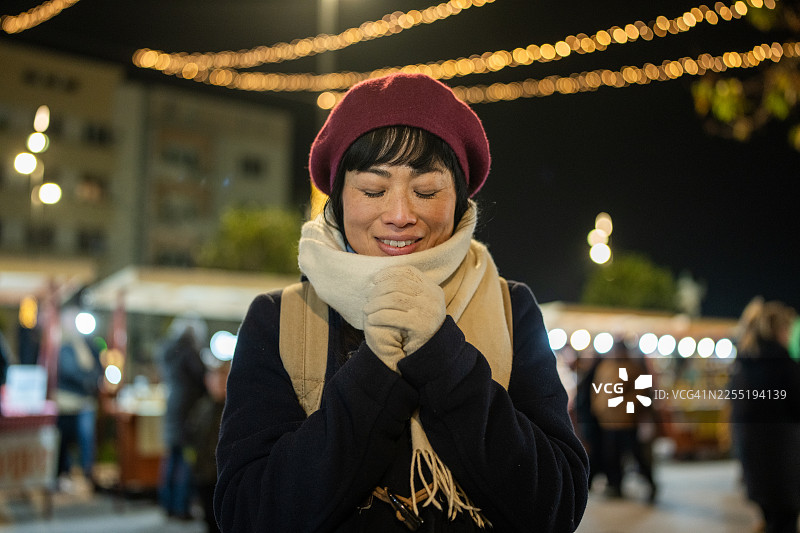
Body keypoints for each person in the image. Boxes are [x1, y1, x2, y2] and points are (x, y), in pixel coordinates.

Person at [214, 72, 589, 532]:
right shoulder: (278, 319)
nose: (399, 215)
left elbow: (557, 505)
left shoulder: (513, 309)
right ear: (337, 201)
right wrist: (377, 367)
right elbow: (248, 514)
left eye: (426, 191)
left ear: (459, 201)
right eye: (373, 190)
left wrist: (442, 355)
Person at [729, 298, 800, 533]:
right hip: (783, 464)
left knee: (771, 518)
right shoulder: (784, 366)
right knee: (784, 520)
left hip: (754, 462)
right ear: (780, 330)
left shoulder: (744, 365)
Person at [590, 339, 657, 502]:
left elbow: (641, 393)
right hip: (608, 421)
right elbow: (597, 389)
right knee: (611, 456)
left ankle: (650, 484)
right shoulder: (605, 367)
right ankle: (616, 486)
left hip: (627, 421)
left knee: (636, 455)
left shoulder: (634, 368)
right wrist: (599, 408)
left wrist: (627, 408)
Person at [157, 314, 208, 520]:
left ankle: (168, 504)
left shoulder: (168, 350)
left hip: (173, 406)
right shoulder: (190, 351)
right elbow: (201, 376)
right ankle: (182, 506)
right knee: (186, 460)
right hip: (188, 410)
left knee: (172, 458)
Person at [55, 305, 103, 491]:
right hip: (68, 402)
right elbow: (70, 371)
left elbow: (98, 366)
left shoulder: (88, 344)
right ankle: (65, 474)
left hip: (85, 401)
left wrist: (93, 379)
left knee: (86, 440)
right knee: (67, 440)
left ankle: (87, 473)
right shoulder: (64, 345)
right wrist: (89, 380)